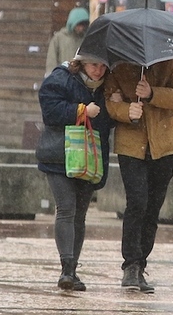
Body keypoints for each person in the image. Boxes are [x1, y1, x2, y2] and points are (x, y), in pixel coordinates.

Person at [105, 58, 173, 293]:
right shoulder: (119, 65)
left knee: (152, 208)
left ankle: (141, 264)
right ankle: (131, 265)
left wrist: (152, 93)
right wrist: (126, 111)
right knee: (137, 202)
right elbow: (109, 100)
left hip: (165, 145)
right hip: (131, 145)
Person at [36, 53, 113, 291]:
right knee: (66, 208)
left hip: (88, 158)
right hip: (59, 156)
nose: (98, 71)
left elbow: (107, 123)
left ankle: (72, 269)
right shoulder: (61, 78)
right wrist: (81, 111)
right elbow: (50, 111)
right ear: (81, 63)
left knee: (79, 214)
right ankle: (67, 269)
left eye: (103, 66)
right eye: (93, 65)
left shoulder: (108, 88)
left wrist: (115, 106)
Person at [45, 7, 90, 75]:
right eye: (78, 25)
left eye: (83, 25)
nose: (81, 28)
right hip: (62, 76)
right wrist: (52, 76)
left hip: (80, 77)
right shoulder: (59, 38)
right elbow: (52, 60)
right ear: (72, 23)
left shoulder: (85, 39)